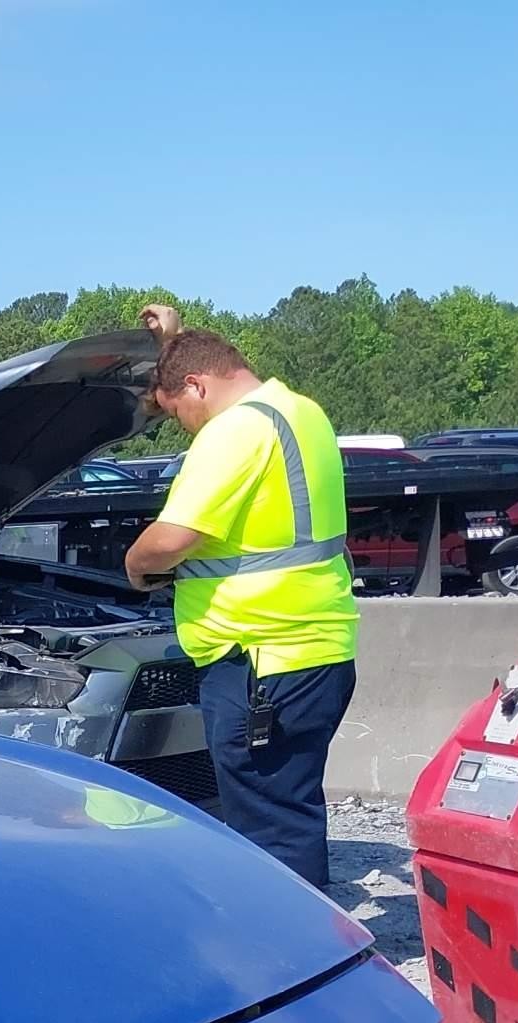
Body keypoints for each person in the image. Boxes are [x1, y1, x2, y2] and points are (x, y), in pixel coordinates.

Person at [123, 304, 358, 890]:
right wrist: (173, 343)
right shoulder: (299, 411)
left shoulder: (234, 431)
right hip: (311, 648)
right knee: (289, 803)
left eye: (181, 413)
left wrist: (135, 565)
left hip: (261, 659)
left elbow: (172, 538)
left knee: (269, 826)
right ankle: (307, 931)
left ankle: (290, 953)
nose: (187, 427)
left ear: (199, 386)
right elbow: (203, 367)